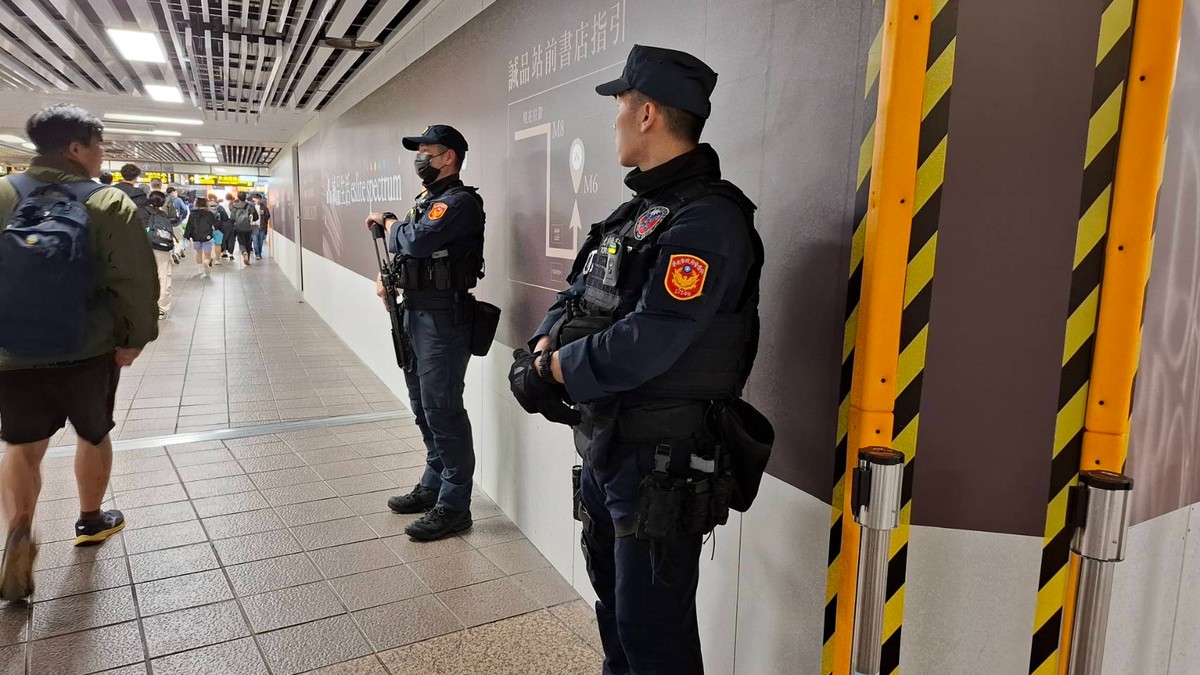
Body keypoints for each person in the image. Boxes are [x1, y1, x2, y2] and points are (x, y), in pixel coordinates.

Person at [510, 45, 764, 673]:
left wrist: (555, 371)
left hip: (660, 458)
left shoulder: (709, 220)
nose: (615, 122)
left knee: (652, 629)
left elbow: (655, 334)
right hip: (609, 441)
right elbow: (578, 292)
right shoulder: (639, 213)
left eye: (620, 107)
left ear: (647, 113)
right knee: (615, 608)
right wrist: (544, 343)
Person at [0, 104, 159, 600]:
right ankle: (91, 520)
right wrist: (136, 337)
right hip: (87, 348)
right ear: (75, 148)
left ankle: (19, 529)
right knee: (93, 433)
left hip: (12, 351)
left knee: (22, 445)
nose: (101, 153)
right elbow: (133, 280)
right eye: (98, 144)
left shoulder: (2, 194)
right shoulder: (108, 203)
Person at [365, 124, 485, 541]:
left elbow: (414, 242)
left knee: (442, 409)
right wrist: (391, 278)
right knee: (421, 404)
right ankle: (433, 485)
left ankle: (454, 506)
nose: (420, 159)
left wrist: (392, 221)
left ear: (449, 156)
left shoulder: (459, 202)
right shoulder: (427, 200)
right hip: (414, 312)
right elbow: (410, 254)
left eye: (427, 152)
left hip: (443, 319)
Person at [145, 191, 175, 319]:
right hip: (161, 248)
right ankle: (161, 308)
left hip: (144, 248)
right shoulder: (162, 215)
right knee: (163, 276)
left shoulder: (140, 212)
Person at [184, 196, 217, 277]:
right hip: (207, 236)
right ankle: (206, 262)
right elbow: (214, 223)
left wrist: (187, 236)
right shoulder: (209, 214)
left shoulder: (192, 213)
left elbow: (189, 226)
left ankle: (199, 268)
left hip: (196, 236)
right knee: (207, 253)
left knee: (198, 253)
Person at [229, 192, 257, 266]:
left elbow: (232, 218)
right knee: (248, 242)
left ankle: (244, 252)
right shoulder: (250, 206)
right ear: (245, 197)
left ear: (238, 198)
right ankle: (248, 258)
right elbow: (256, 217)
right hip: (248, 227)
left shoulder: (235, 207)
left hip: (238, 227)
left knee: (241, 242)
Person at [211, 192, 232, 263]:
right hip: (218, 228)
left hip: (206, 229)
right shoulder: (219, 207)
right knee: (218, 243)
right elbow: (225, 217)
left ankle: (208, 258)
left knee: (207, 244)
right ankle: (217, 259)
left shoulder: (204, 208)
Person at [251, 192, 270, 260]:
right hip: (254, 226)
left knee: (260, 241)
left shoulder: (264, 207)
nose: (257, 200)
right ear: (253, 199)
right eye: (256, 198)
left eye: (258, 199)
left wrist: (264, 215)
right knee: (255, 240)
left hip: (262, 226)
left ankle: (259, 252)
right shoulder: (251, 207)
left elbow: (268, 216)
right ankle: (257, 254)